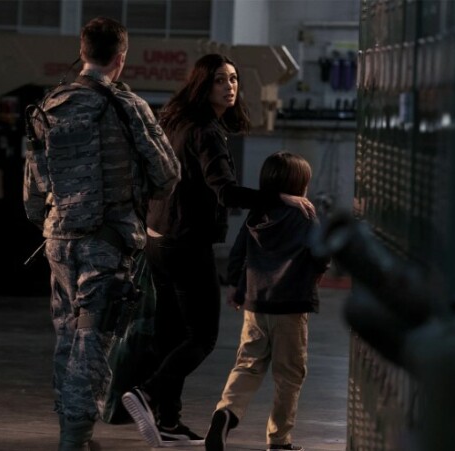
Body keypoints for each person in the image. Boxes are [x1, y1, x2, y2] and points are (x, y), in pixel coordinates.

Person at [121, 54, 315, 448]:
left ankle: (169, 421)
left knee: (174, 333)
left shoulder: (174, 120)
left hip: (157, 238)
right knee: (202, 337)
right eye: (220, 80)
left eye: (234, 79)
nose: (230, 87)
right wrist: (281, 197)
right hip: (185, 243)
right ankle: (148, 392)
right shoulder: (206, 131)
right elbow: (225, 192)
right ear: (202, 84)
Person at [23, 17, 180, 451]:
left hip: (59, 241)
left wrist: (55, 221)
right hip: (107, 245)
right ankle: (75, 440)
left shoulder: (50, 104)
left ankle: (72, 432)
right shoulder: (128, 106)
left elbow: (33, 189)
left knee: (68, 338)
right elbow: (167, 174)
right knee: (92, 342)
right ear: (120, 58)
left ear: (83, 51)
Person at [204, 151, 330, 451]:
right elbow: (321, 254)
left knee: (248, 364)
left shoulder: (257, 214)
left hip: (256, 305)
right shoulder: (305, 215)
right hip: (291, 306)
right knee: (289, 375)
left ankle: (225, 412)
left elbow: (239, 253)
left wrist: (237, 288)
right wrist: (317, 272)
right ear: (300, 185)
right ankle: (279, 439)